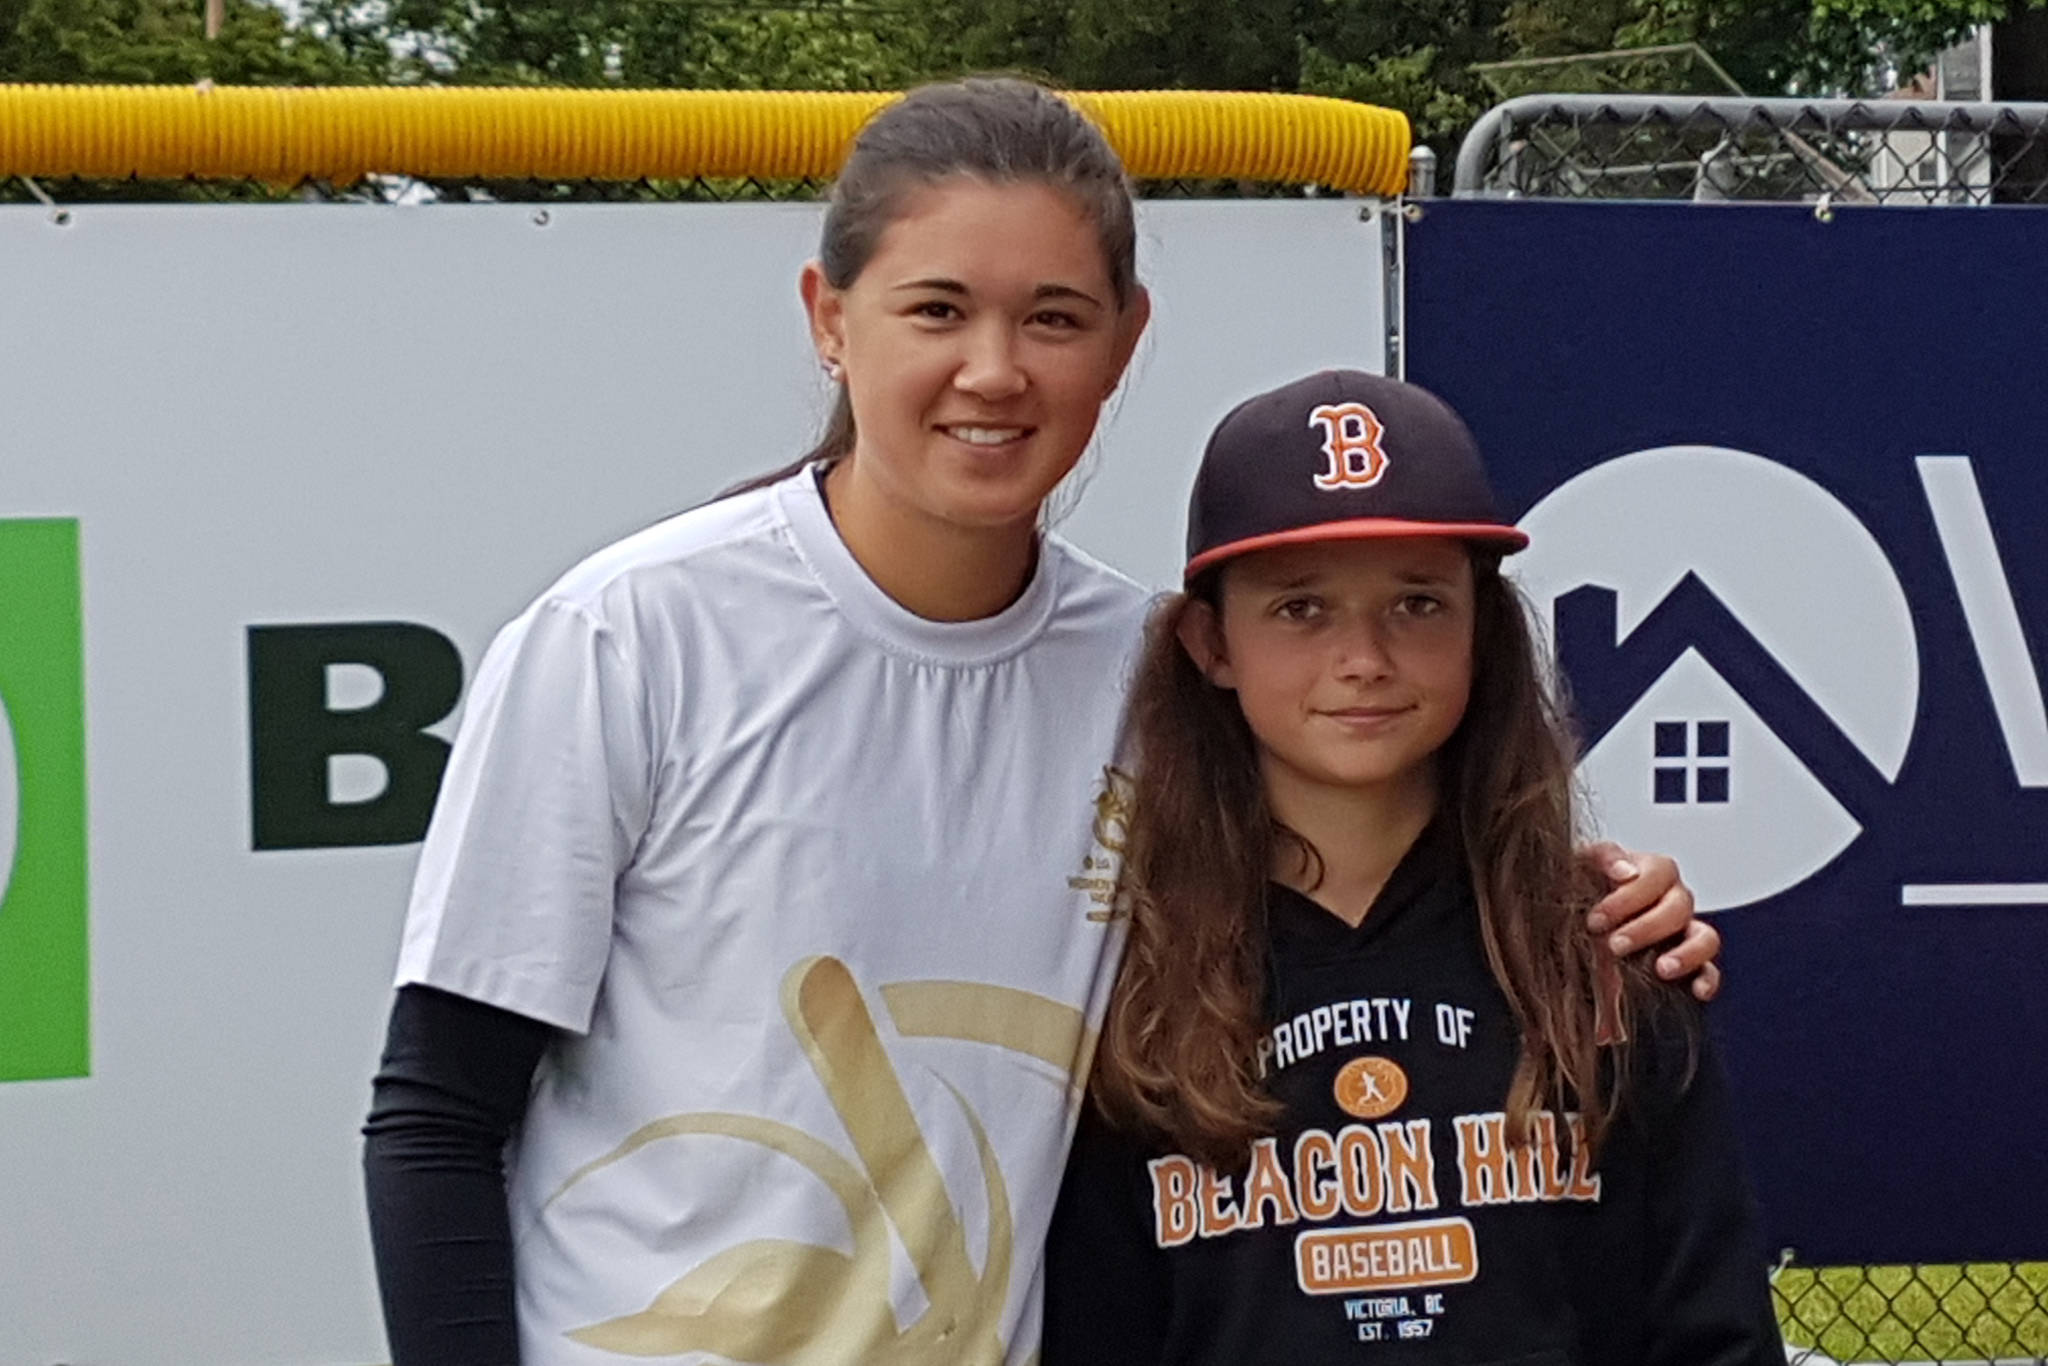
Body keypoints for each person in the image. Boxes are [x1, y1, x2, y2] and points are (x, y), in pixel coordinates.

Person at [361, 81, 1721, 1366]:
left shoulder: (1153, 677)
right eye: (938, 308)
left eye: (1055, 318)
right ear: (829, 317)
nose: (994, 370)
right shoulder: (632, 634)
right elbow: (436, 1116)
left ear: (1126, 341)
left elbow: (1387, 855)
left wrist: (1605, 901)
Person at [1042, 370, 1783, 1364]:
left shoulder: (1601, 951)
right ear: (1209, 641)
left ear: (1482, 627)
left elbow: (1711, 1332)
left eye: (1417, 603)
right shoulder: (1123, 971)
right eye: (1300, 608)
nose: (1363, 657)